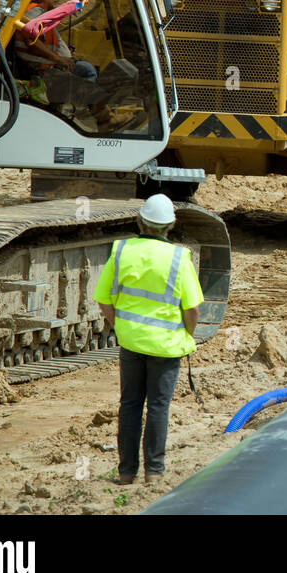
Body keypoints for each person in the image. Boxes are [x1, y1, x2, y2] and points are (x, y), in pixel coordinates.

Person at [93, 194, 203, 486]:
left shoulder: (121, 251)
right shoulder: (179, 257)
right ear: (171, 225)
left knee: (129, 404)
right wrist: (186, 334)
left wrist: (123, 328)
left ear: (140, 221)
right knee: (157, 406)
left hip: (131, 344)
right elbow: (192, 309)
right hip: (166, 347)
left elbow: (104, 302)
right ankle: (154, 473)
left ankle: (126, 472)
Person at [13, 0, 134, 131]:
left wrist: (64, 53)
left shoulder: (42, 14)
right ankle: (105, 120)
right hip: (41, 70)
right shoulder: (33, 12)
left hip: (50, 66)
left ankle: (72, 112)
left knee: (85, 70)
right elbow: (31, 40)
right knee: (86, 86)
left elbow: (44, 40)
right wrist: (58, 59)